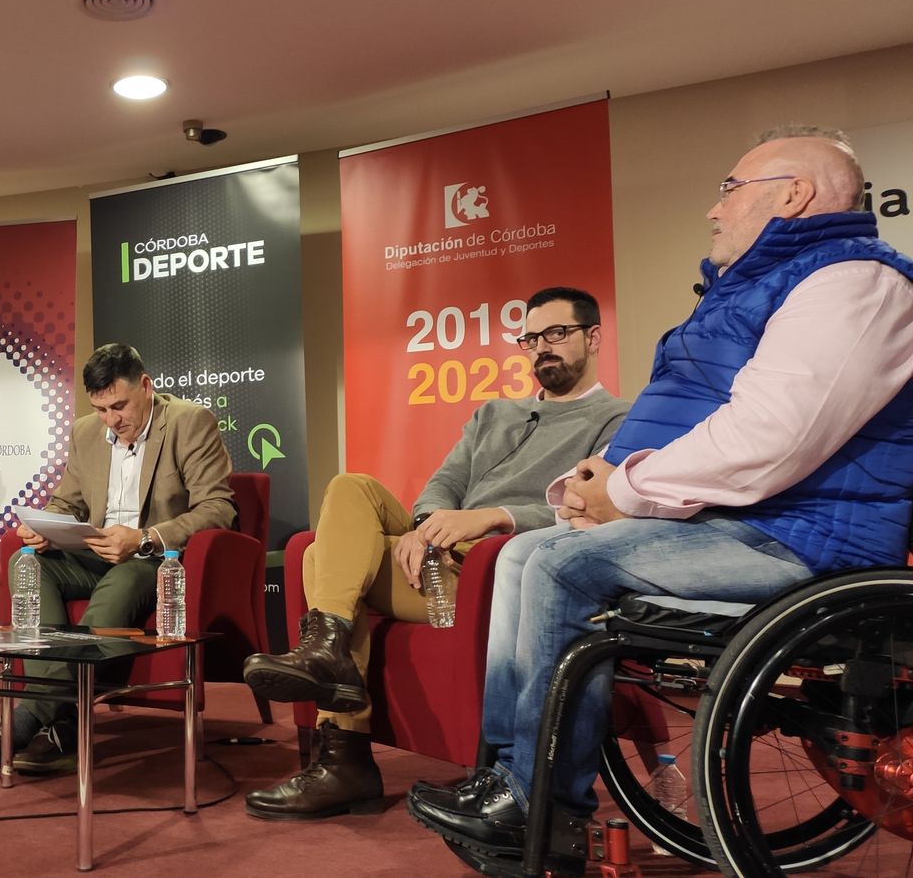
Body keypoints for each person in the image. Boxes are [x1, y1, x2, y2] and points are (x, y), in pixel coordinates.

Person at [408, 126, 913, 875]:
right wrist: (592, 492)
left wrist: (628, 491)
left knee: (559, 568)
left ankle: (539, 802)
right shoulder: (757, 290)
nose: (714, 210)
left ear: (794, 194)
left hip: (805, 539)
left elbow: (773, 437)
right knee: (524, 551)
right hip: (740, 522)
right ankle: (507, 776)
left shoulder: (854, 283)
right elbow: (690, 421)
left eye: (730, 188)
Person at [240, 287, 629, 821]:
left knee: (314, 563)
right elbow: (444, 482)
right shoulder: (494, 412)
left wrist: (493, 517)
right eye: (531, 338)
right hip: (437, 552)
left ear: (593, 337)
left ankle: (344, 753)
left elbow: (593, 509)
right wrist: (424, 527)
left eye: (557, 334)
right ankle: (330, 652)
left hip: (499, 566)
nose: (543, 347)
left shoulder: (618, 419)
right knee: (351, 485)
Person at [0, 343, 236, 774]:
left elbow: (218, 507)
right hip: (94, 554)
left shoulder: (189, 422)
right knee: (27, 563)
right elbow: (64, 502)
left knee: (123, 581)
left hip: (153, 560)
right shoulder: (86, 432)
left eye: (120, 406)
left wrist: (144, 537)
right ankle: (64, 725)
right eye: (101, 408)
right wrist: (44, 526)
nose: (112, 420)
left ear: (146, 386)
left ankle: (18, 724)